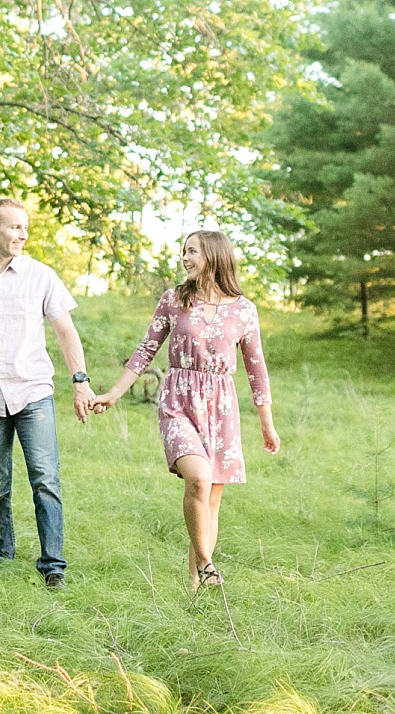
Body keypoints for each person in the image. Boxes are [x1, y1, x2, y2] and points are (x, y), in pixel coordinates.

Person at [92, 230, 279, 589]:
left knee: (210, 500)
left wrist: (267, 424)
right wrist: (114, 394)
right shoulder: (174, 300)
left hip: (222, 409)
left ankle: (194, 583)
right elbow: (146, 350)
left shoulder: (244, 310)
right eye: (184, 252)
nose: (185, 258)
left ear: (213, 255)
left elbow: (257, 368)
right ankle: (208, 565)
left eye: (192, 251)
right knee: (197, 478)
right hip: (179, 401)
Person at [0, 198, 96, 588]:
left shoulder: (41, 277)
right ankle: (1, 559)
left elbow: (65, 331)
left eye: (25, 227)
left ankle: (53, 566)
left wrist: (80, 382)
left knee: (45, 478)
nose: (23, 234)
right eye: (15, 227)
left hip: (33, 393)